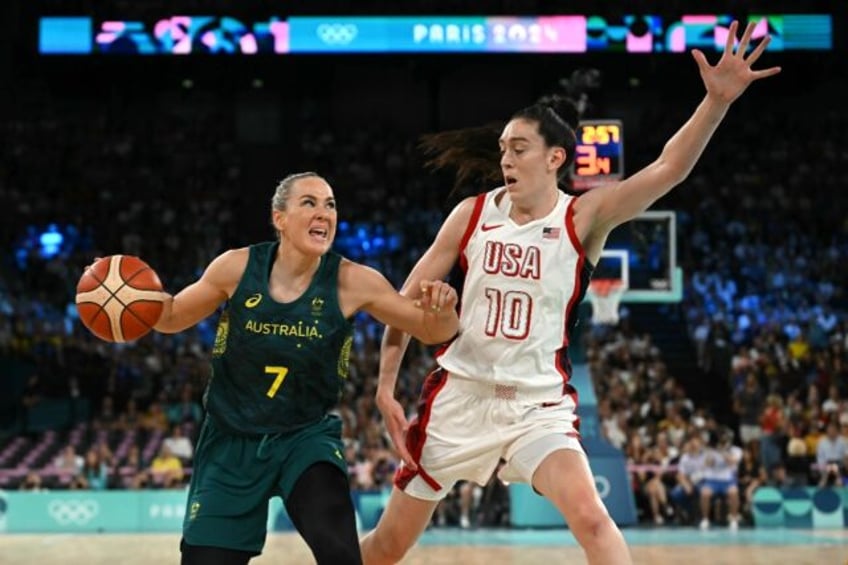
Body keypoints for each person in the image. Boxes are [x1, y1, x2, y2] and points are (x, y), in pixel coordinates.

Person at [361, 20, 779, 565]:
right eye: (502, 149)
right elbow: (403, 300)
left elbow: (669, 169)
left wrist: (716, 103)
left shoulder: (583, 217)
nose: (505, 159)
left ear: (556, 157)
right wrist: (385, 386)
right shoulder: (471, 215)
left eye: (519, 148)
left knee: (591, 519)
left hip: (537, 407)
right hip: (459, 397)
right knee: (389, 546)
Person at [87, 172, 460, 564]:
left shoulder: (353, 280)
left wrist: (445, 311)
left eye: (330, 204)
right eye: (309, 203)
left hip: (304, 438)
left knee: (340, 553)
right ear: (279, 218)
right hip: (231, 440)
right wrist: (131, 295)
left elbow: (430, 327)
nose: (324, 213)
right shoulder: (235, 267)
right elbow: (173, 314)